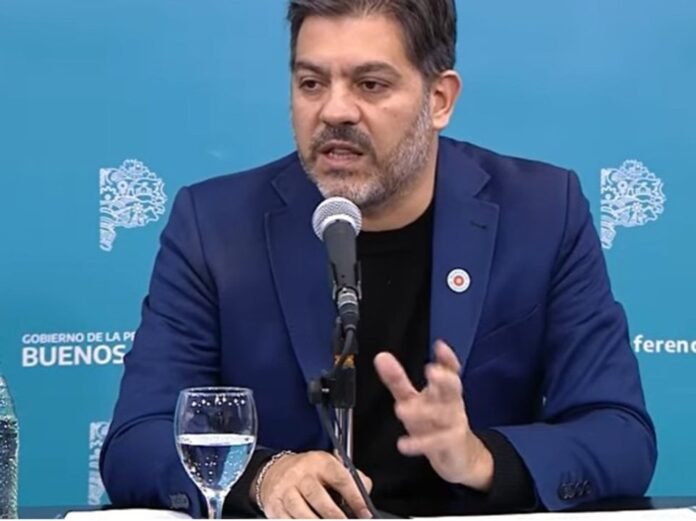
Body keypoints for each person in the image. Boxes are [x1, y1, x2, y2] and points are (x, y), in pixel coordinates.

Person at [100, 0, 657, 518]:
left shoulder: (541, 212)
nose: (335, 110)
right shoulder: (215, 225)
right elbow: (135, 441)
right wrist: (265, 476)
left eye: (370, 84)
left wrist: (480, 458)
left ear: (439, 99)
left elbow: (619, 433)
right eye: (312, 83)